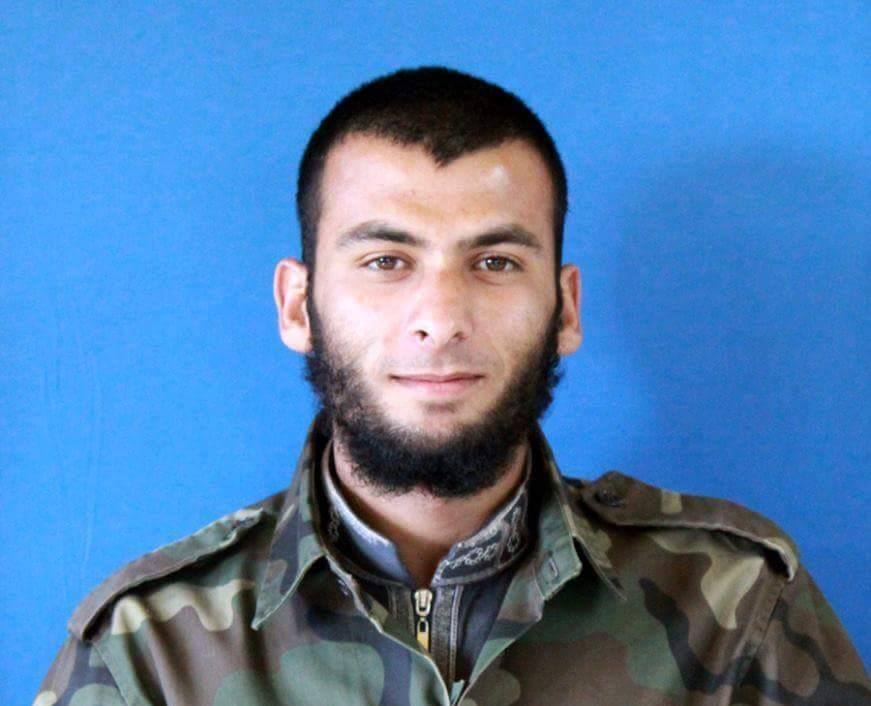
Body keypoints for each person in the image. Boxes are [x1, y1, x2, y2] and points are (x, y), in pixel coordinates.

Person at [34, 66, 869, 706]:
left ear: (564, 308)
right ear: (297, 305)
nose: (440, 318)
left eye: (494, 262)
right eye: (385, 261)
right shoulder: (149, 650)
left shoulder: (738, 603)